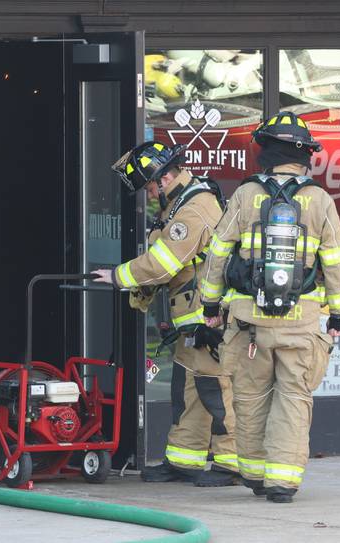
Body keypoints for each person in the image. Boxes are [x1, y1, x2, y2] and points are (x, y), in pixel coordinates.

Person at [199, 111, 340, 503]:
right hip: (301, 325)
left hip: (250, 325)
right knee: (294, 400)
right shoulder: (319, 200)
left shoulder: (246, 194)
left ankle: (255, 474)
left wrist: (210, 305)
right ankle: (283, 481)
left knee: (250, 399)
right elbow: (335, 261)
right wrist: (338, 314)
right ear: (304, 156)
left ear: (265, 151)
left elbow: (218, 252)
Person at [92, 141, 238, 487]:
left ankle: (231, 463)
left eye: (149, 186)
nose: (149, 193)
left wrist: (118, 276)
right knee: (187, 392)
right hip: (192, 320)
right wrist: (138, 293)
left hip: (208, 318)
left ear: (165, 177)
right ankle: (184, 460)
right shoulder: (178, 204)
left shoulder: (194, 208)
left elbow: (163, 263)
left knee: (215, 390)